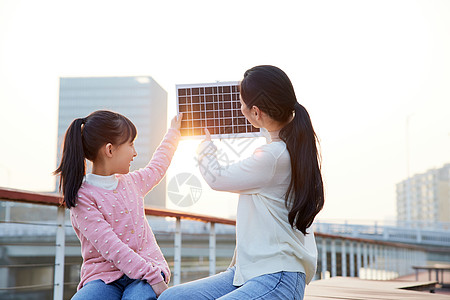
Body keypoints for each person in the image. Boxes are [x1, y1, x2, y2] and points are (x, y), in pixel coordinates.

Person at [159, 65, 324, 300]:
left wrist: (204, 146)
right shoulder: (285, 147)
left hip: (277, 276)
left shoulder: (273, 156)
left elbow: (216, 178)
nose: (238, 108)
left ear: (256, 113)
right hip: (248, 273)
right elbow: (267, 127)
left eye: (241, 103)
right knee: (170, 298)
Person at [54, 110, 182, 300]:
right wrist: (154, 278)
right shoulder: (83, 197)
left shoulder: (133, 182)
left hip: (147, 271)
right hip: (103, 278)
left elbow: (158, 165)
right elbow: (113, 247)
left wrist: (173, 133)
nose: (135, 152)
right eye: (130, 144)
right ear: (110, 150)